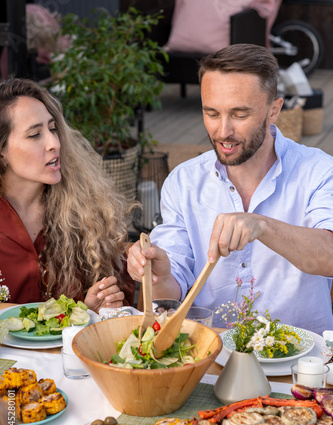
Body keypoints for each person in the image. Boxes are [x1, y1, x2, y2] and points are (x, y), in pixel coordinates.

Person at [127, 43, 333, 335]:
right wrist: (158, 275)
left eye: (239, 114)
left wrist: (261, 226)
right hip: (210, 357)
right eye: (212, 113)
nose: (223, 132)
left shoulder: (320, 171)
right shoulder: (183, 181)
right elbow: (170, 292)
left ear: (274, 110)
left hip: (300, 365)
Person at [0, 78, 135, 312]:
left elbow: (119, 301)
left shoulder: (84, 213)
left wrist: (91, 309)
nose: (54, 143)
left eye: (53, 129)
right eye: (35, 135)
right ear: (2, 152)